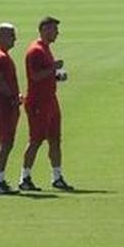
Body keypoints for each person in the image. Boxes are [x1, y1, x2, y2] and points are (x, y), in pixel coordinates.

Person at [19, 15, 73, 192]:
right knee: (35, 140)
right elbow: (34, 76)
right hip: (38, 103)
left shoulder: (45, 48)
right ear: (44, 30)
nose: (57, 33)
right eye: (54, 29)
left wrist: (57, 76)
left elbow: (44, 75)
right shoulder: (36, 51)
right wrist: (53, 68)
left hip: (50, 100)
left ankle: (57, 177)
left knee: (55, 140)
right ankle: (24, 177)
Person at [0, 22, 21, 195]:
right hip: (4, 105)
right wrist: (12, 97)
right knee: (5, 141)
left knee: (6, 141)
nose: (15, 39)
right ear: (1, 37)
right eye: (12, 35)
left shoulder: (1, 55)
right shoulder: (0, 57)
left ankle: (0, 179)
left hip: (5, 104)